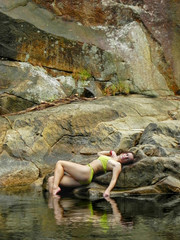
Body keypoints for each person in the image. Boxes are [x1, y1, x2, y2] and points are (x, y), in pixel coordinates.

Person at [48, 150, 134, 198]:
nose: (125, 157)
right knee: (51, 179)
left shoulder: (118, 165)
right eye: (126, 154)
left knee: (60, 163)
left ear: (126, 162)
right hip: (84, 178)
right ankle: (54, 203)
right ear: (123, 153)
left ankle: (55, 188)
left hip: (87, 171)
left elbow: (114, 179)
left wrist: (107, 191)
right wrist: (110, 152)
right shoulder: (112, 158)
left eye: (127, 158)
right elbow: (99, 154)